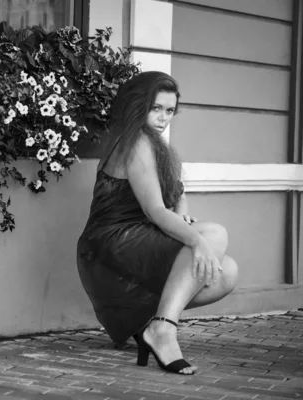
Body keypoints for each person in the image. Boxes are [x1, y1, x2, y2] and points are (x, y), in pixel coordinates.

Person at [76, 71, 238, 375]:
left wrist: (182, 215)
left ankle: (147, 322)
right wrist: (197, 240)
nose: (163, 117)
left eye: (169, 110)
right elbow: (154, 211)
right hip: (112, 244)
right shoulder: (135, 142)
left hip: (138, 239)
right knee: (214, 235)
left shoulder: (156, 145)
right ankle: (162, 330)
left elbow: (177, 194)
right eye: (156, 108)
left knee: (226, 273)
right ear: (138, 106)